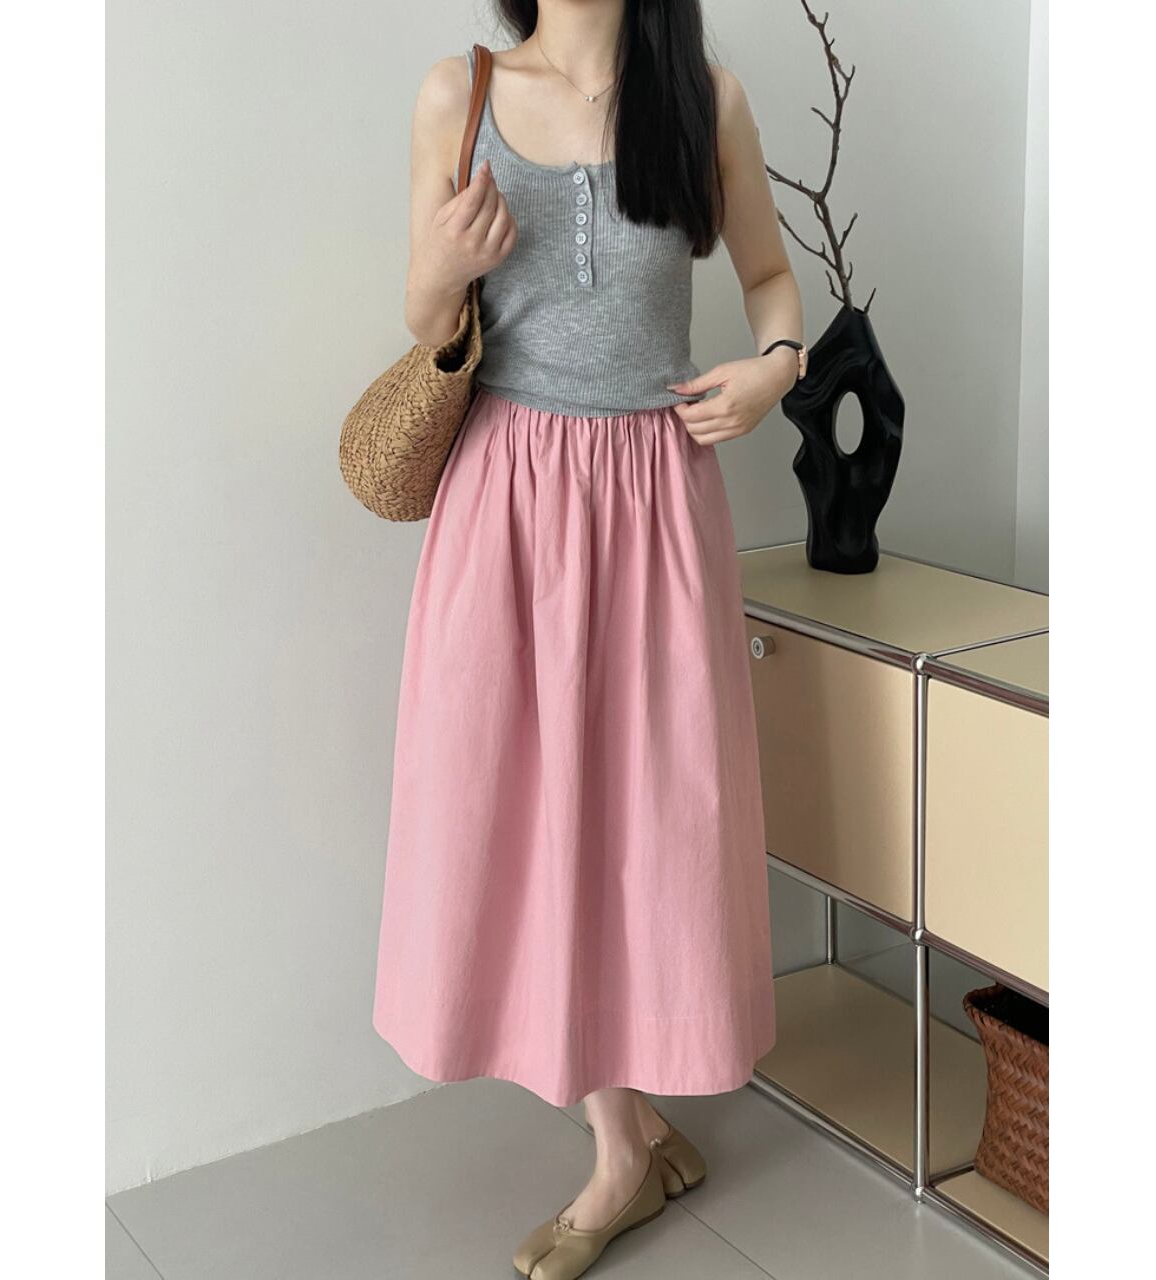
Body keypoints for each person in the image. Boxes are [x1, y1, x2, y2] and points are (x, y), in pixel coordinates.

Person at [372, 3, 805, 1276]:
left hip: (654, 502)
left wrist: (773, 365)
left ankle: (626, 1146)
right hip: (504, 504)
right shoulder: (456, 93)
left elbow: (769, 279)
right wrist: (443, 265)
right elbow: (422, 319)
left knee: (646, 811)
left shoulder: (704, 100)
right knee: (519, 806)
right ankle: (627, 1134)